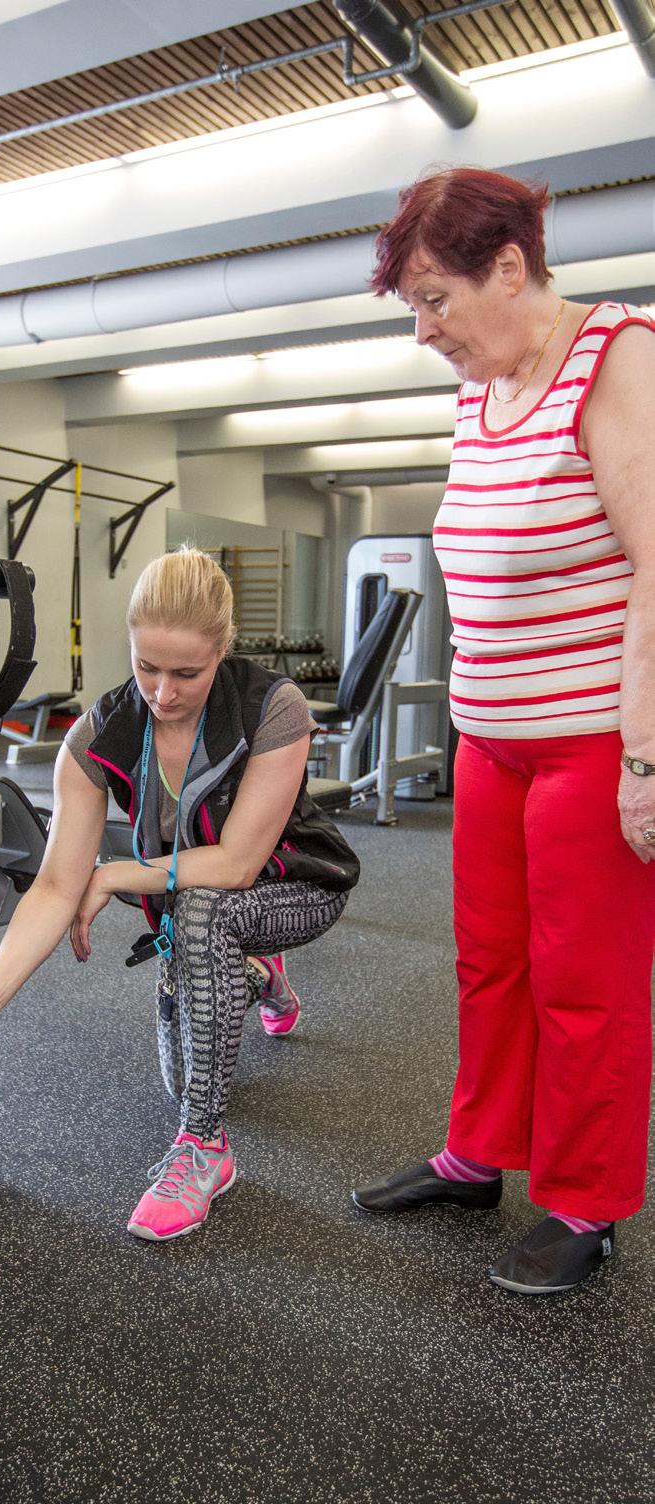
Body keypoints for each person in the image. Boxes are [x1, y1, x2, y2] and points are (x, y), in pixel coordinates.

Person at [351, 167, 655, 1295]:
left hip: (588, 739)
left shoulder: (620, 354)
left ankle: (583, 1200)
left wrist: (643, 755)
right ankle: (477, 1154)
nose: (425, 330)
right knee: (489, 964)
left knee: (586, 979)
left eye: (435, 299)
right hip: (488, 736)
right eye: (415, 309)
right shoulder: (478, 388)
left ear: (512, 268)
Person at [0, 547, 359, 1241]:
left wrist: (115, 873)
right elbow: (52, 889)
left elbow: (240, 864)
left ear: (222, 649)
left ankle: (203, 1148)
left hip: (297, 883)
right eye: (146, 667)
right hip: (200, 895)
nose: (163, 693)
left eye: (186, 673)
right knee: (184, 1059)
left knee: (204, 914)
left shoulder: (271, 707)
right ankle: (255, 976)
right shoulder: (100, 733)